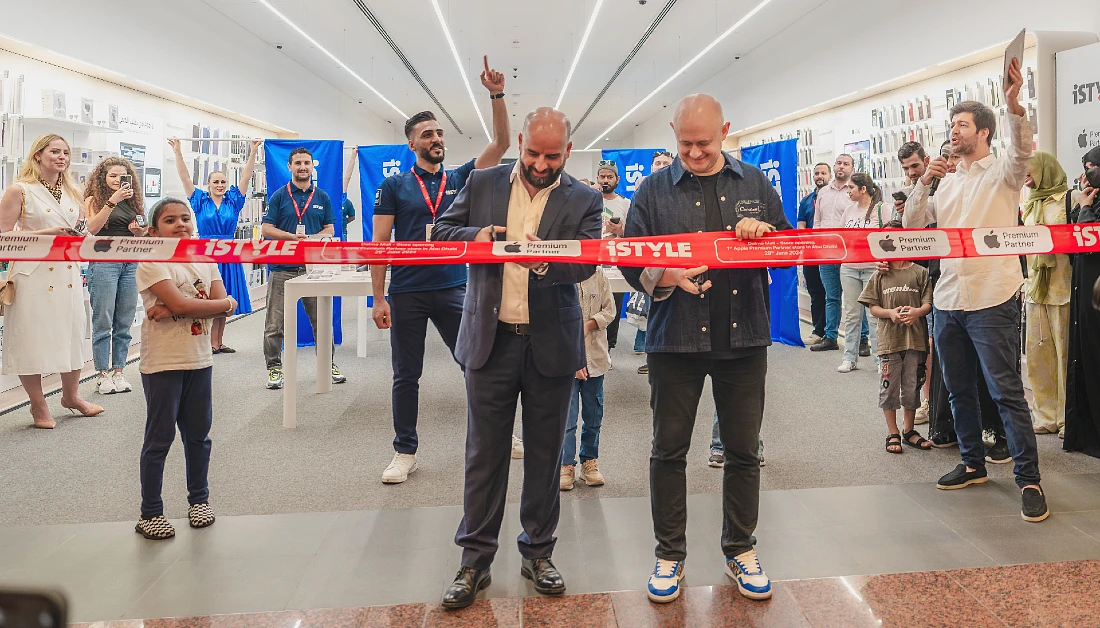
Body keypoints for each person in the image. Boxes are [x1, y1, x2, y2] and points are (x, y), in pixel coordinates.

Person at [622, 94, 790, 604]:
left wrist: (766, 237)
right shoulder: (652, 190)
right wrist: (664, 276)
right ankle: (669, 556)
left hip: (743, 340)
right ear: (673, 131)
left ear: (726, 131)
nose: (694, 153)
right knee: (668, 451)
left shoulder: (756, 183)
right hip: (675, 340)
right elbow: (630, 258)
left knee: (743, 452)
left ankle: (741, 548)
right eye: (685, 143)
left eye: (705, 143)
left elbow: (787, 248)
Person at [431, 107, 600, 609]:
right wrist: (475, 240)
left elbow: (588, 260)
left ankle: (538, 552)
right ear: (519, 142)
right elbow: (440, 235)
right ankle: (474, 560)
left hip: (551, 341)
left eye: (552, 156)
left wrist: (543, 259)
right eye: (532, 153)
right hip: (491, 339)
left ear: (568, 151)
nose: (541, 164)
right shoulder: (482, 184)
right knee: (484, 452)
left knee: (547, 454)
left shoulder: (586, 197)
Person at [903, 57, 1048, 522]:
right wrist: (926, 178)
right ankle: (972, 463)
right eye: (951, 124)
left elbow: (1022, 149)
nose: (953, 131)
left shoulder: (1002, 173)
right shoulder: (945, 182)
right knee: (959, 388)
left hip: (993, 294)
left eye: (962, 124)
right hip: (948, 297)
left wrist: (1013, 105)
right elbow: (911, 225)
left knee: (1005, 390)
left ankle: (1029, 479)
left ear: (984, 131)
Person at [372, 56, 511, 484]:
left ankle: (498, 435)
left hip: (455, 286)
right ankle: (405, 451)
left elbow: (502, 144)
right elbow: (379, 245)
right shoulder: (394, 185)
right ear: (411, 143)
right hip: (409, 290)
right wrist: (379, 296)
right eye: (426, 134)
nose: (435, 139)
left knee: (476, 365)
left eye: (438, 133)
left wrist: (496, 95)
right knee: (406, 375)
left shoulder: (461, 177)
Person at [133, 198, 237, 540]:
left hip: (199, 360)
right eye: (169, 220)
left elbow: (226, 307)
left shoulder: (205, 258)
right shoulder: (152, 261)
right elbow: (205, 303)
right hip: (163, 362)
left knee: (198, 435)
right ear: (153, 231)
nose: (180, 224)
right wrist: (196, 306)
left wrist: (179, 310)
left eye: (185, 218)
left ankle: (199, 500)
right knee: (159, 438)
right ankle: (150, 512)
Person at [0, 133, 102, 428]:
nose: (62, 157)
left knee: (72, 334)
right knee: (30, 339)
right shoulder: (19, 190)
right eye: (55, 151)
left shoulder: (73, 191)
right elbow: (3, 237)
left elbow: (81, 232)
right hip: (32, 276)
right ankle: (38, 404)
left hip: (68, 273)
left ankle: (71, 396)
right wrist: (47, 235)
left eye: (66, 153)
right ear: (38, 155)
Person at [260, 147, 344, 390]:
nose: (302, 167)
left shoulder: (323, 197)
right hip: (282, 268)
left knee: (321, 321)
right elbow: (266, 229)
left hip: (314, 269)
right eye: (297, 163)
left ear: (312, 166)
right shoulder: (278, 196)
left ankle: (327, 365)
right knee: (274, 324)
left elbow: (330, 230)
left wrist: (312, 239)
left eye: (306, 162)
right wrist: (291, 238)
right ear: (289, 167)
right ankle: (274, 369)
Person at [169, 138, 260, 353]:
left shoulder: (233, 201)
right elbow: (184, 177)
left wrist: (253, 151)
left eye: (223, 182)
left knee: (225, 300)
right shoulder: (199, 200)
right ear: (208, 184)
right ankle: (206, 342)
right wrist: (178, 152)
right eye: (216, 182)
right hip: (205, 254)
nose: (220, 185)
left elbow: (246, 176)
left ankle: (217, 342)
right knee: (206, 298)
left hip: (228, 253)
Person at [859, 223, 933, 454]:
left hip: (915, 341)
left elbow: (927, 304)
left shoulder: (920, 272)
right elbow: (873, 307)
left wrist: (917, 312)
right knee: (889, 387)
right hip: (889, 341)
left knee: (912, 386)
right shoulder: (879, 275)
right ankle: (892, 432)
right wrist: (890, 313)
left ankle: (908, 430)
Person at [83, 157, 148, 395]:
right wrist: (112, 202)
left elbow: (142, 232)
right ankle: (102, 374)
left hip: (130, 261)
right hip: (104, 261)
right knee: (103, 320)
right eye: (113, 176)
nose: (118, 181)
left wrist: (139, 232)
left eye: (123, 176)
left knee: (124, 320)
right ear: (103, 177)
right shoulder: (94, 199)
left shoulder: (135, 200)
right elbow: (92, 228)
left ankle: (119, 371)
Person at [1022, 152, 1072, 437]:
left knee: (1064, 355)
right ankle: (1044, 415)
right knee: (1039, 354)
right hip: (1035, 289)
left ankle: (1067, 417)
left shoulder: (1069, 199)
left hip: (1063, 286)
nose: (1025, 176)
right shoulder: (1029, 204)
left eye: (1030, 170)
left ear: (1045, 169)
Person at [560, 266, 614, 491]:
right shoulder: (560, 277)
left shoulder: (599, 275)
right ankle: (566, 465)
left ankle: (589, 461)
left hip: (597, 360)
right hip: (566, 361)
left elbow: (609, 310)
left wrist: (589, 324)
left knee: (593, 415)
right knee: (567, 418)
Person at [1063, 157, 1100, 455]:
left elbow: (1090, 239)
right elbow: (1070, 241)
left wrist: (1086, 210)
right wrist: (1082, 207)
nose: (1085, 175)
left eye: (1091, 167)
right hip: (1084, 293)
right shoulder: (1087, 202)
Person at [810, 154, 864, 354]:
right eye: (839, 163)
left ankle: (863, 339)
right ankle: (831, 337)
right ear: (834, 166)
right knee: (831, 297)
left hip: (848, 253)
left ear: (852, 168)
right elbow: (818, 221)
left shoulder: (853, 192)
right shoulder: (823, 192)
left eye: (846, 164)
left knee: (856, 298)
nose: (842, 167)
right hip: (826, 253)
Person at [837, 172, 891, 373]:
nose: (848, 191)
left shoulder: (882, 209)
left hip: (872, 269)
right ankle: (849, 358)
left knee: (874, 316)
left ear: (863, 189)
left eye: (851, 187)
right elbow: (840, 236)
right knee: (852, 314)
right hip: (849, 268)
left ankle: (879, 360)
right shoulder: (849, 211)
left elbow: (889, 237)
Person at [895, 142, 933, 422]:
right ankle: (923, 400)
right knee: (918, 344)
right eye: (906, 168)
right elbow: (904, 231)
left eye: (915, 166)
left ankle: (931, 401)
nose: (910, 173)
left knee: (931, 343)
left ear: (927, 161)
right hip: (913, 272)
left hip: (936, 272)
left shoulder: (944, 187)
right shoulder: (909, 191)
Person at [636, 150, 675, 375]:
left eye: (665, 163)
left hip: (676, 264)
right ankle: (653, 359)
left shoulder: (680, 191)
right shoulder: (644, 190)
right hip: (652, 265)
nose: (660, 166)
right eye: (657, 163)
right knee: (653, 315)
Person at [597, 160, 631, 350]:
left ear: (617, 179)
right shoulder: (590, 201)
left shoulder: (626, 204)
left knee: (614, 306)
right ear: (597, 178)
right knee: (594, 305)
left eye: (610, 177)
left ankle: (609, 346)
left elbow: (634, 234)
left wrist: (620, 231)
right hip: (594, 260)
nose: (606, 180)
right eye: (602, 176)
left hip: (616, 262)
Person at [797, 163, 831, 344]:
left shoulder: (836, 199)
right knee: (816, 293)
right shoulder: (806, 201)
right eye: (817, 173)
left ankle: (830, 332)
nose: (820, 176)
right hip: (811, 253)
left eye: (823, 173)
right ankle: (818, 330)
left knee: (831, 294)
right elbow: (801, 225)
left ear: (830, 175)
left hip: (831, 253)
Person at [341, 147, 357, 244]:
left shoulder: (343, 199)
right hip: (327, 234)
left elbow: (347, 176)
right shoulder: (324, 195)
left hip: (342, 233)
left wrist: (353, 156)